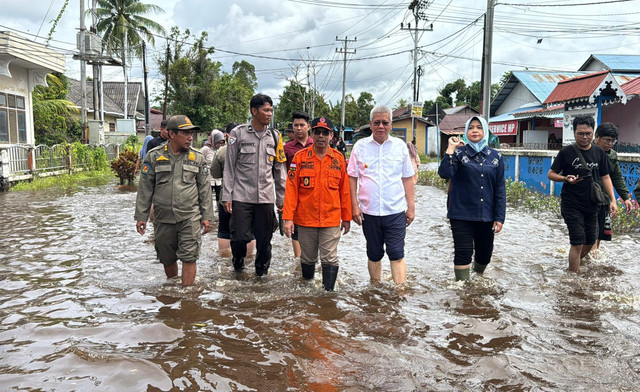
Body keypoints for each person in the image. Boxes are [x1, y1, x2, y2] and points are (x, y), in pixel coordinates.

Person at [134, 115, 213, 287]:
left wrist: (206, 216)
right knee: (166, 257)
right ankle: (172, 288)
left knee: (189, 255)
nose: (190, 137)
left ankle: (187, 297)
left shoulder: (197, 158)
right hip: (163, 218)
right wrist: (142, 216)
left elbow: (205, 189)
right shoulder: (153, 157)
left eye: (191, 133)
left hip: (189, 217)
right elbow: (145, 188)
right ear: (171, 134)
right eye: (185, 133)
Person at [347, 105, 415, 285]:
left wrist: (411, 208)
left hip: (395, 211)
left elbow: (407, 178)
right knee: (374, 253)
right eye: (377, 122)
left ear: (391, 125)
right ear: (370, 124)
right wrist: (354, 206)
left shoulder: (400, 147)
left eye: (385, 122)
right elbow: (352, 177)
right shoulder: (360, 147)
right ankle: (375, 288)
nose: (381, 126)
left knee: (397, 253)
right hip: (369, 212)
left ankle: (399, 292)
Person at [282, 116, 351, 291]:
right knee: (308, 258)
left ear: (331, 136)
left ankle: (328, 296)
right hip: (306, 219)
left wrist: (347, 217)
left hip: (331, 219)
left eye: (325, 133)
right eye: (318, 132)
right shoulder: (299, 158)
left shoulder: (338, 159)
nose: (321, 136)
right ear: (312, 134)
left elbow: (345, 190)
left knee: (329, 258)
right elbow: (291, 190)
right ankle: (308, 292)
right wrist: (288, 219)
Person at [222, 93, 287, 276]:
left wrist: (281, 198)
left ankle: (261, 273)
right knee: (239, 237)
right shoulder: (238, 133)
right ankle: (238, 266)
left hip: (265, 197)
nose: (269, 114)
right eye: (266, 110)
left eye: (271, 110)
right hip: (242, 196)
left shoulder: (275, 137)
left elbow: (279, 170)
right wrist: (227, 196)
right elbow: (229, 167)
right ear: (254, 111)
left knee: (265, 239)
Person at [438, 116, 506, 281]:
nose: (475, 131)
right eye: (471, 128)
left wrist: (499, 217)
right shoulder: (459, 154)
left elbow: (500, 189)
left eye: (479, 127)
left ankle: (478, 279)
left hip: (487, 215)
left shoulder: (496, 157)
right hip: (461, 214)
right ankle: (463, 291)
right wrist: (450, 149)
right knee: (463, 253)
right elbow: (445, 173)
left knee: (485, 256)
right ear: (466, 132)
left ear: (485, 131)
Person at [547, 114, 618, 273]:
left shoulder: (599, 152)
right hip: (571, 204)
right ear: (574, 133)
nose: (585, 137)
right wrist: (565, 178)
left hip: (592, 204)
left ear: (593, 133)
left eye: (588, 134)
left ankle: (573, 266)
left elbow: (605, 176)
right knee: (577, 241)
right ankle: (573, 276)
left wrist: (613, 200)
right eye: (581, 134)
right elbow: (551, 174)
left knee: (590, 241)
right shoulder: (566, 152)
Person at [211, 123, 255, 258]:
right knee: (249, 231)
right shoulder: (254, 148)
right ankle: (247, 260)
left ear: (227, 135)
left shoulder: (222, 151)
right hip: (249, 197)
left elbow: (215, 173)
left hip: (226, 197)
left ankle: (225, 263)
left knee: (224, 231)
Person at [591, 122, 633, 252]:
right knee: (590, 232)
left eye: (612, 141)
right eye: (607, 140)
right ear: (597, 137)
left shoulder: (612, 155)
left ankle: (592, 259)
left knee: (600, 233)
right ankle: (588, 261)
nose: (610, 144)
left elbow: (617, 177)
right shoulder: (587, 151)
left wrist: (625, 197)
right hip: (587, 198)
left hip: (604, 199)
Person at [283, 111, 314, 258]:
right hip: (294, 193)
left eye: (302, 125)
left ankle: (312, 259)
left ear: (308, 126)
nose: (299, 128)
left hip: (313, 194)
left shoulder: (316, 145)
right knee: (295, 229)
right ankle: (299, 260)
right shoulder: (287, 148)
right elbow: (282, 172)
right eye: (296, 125)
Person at [200, 129, 226, 212]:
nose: (220, 145)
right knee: (207, 198)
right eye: (218, 142)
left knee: (219, 197)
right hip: (208, 178)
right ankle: (207, 214)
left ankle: (218, 213)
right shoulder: (206, 149)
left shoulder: (222, 151)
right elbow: (199, 161)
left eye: (222, 143)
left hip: (218, 180)